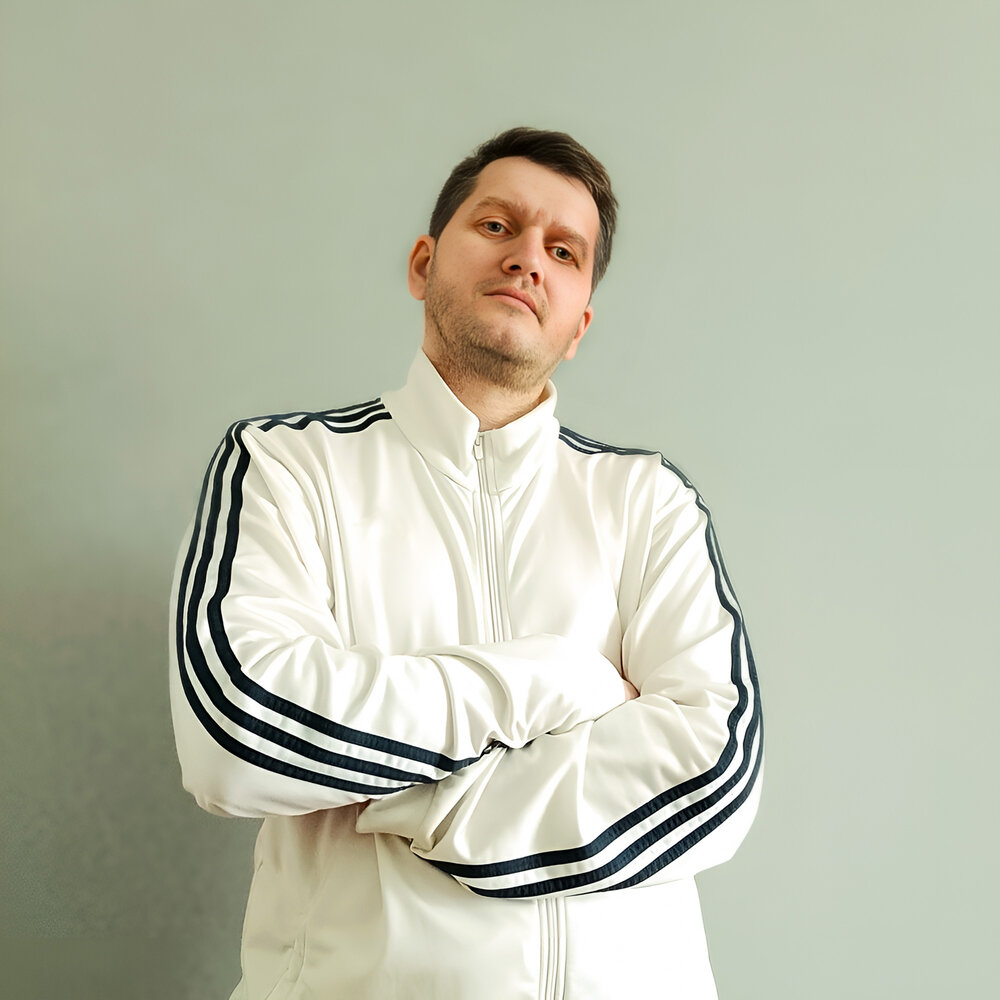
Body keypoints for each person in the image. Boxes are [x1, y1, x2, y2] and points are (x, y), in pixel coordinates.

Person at [169, 127, 763, 1000]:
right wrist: (557, 680)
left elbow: (711, 775)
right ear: (423, 264)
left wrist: (412, 800)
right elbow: (239, 731)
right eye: (497, 226)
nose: (529, 259)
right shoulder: (285, 466)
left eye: (564, 252)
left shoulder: (649, 500)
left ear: (579, 326)